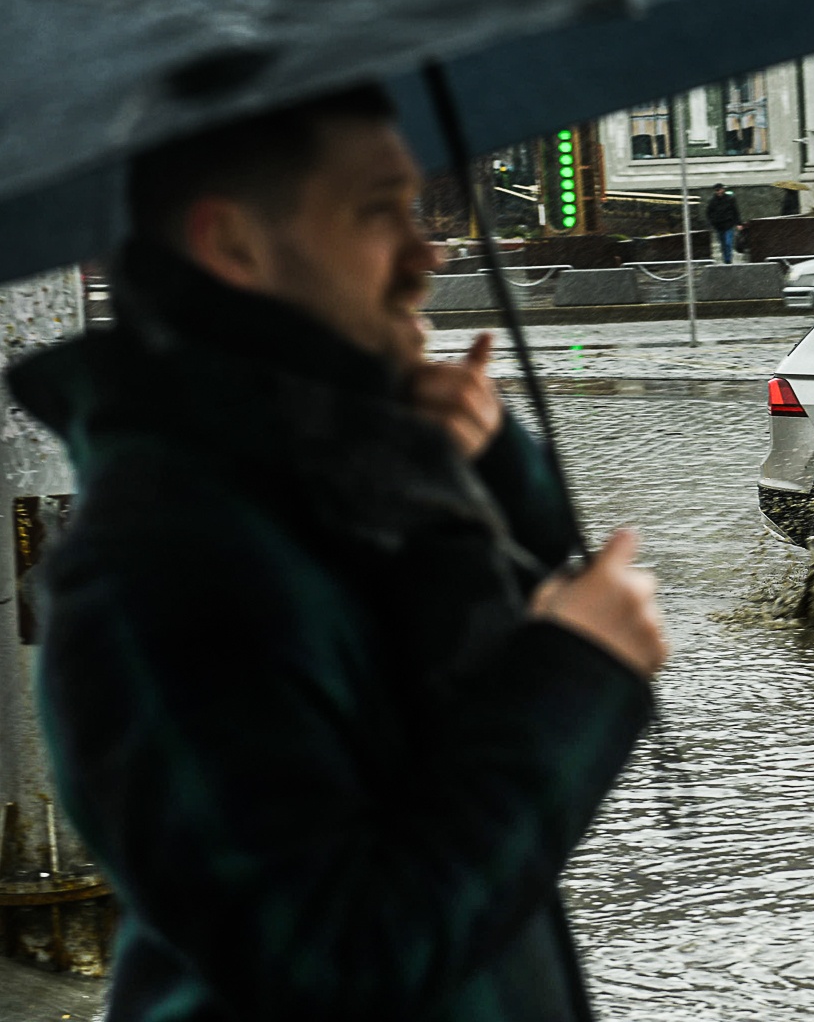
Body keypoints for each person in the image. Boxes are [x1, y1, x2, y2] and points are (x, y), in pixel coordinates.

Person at [6, 86, 670, 1022]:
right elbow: (336, 959)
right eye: (378, 213)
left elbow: (480, 675)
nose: (423, 256)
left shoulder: (341, 481)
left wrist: (492, 464)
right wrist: (576, 675)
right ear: (232, 243)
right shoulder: (164, 568)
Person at [704, 182, 742, 264]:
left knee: (728, 243)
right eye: (717, 190)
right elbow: (709, 213)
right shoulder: (713, 201)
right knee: (723, 244)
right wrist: (710, 223)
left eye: (720, 190)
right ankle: (726, 258)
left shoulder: (729, 199)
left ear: (723, 190)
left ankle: (728, 259)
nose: (719, 192)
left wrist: (738, 223)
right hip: (719, 225)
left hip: (728, 224)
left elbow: (735, 211)